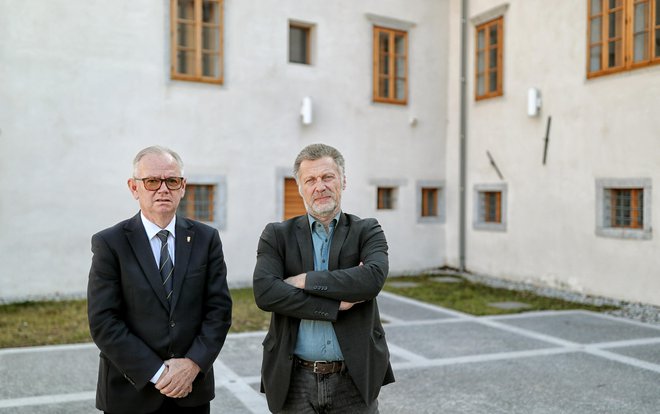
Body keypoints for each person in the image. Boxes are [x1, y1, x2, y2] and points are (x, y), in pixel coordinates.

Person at [87, 146, 232, 414]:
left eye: (171, 181)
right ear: (134, 187)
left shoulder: (206, 239)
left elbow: (219, 311)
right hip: (130, 393)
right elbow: (104, 321)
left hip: (191, 391)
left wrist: (192, 365)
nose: (163, 189)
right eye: (152, 181)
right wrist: (158, 373)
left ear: (183, 186)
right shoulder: (110, 243)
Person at [253, 143, 395, 413]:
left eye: (328, 177)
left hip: (353, 378)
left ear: (343, 180)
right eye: (311, 180)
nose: (320, 186)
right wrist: (334, 304)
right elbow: (265, 292)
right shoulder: (277, 235)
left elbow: (372, 279)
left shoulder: (367, 230)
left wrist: (304, 280)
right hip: (293, 379)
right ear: (300, 187)